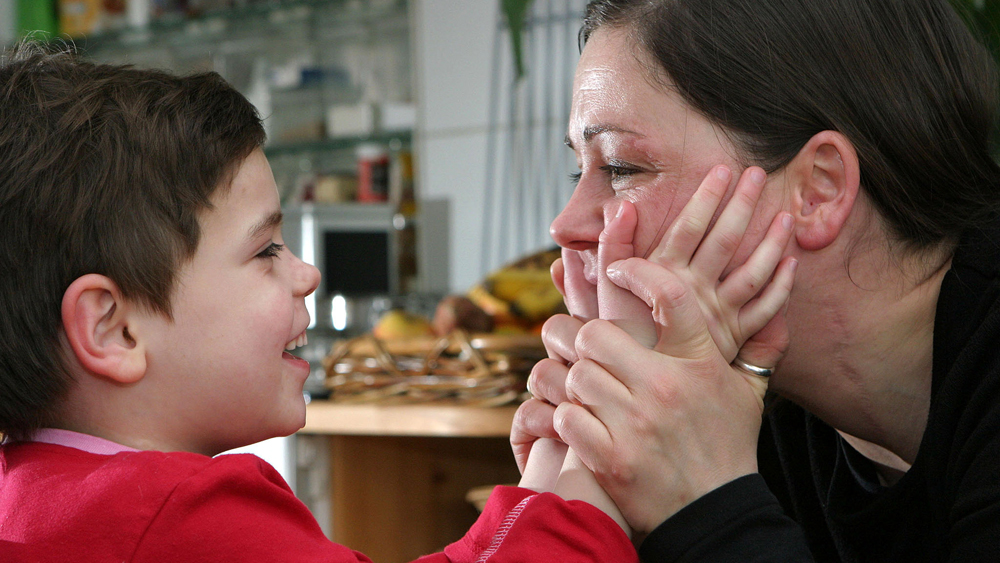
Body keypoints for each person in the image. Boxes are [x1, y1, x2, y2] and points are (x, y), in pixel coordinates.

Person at [0, 43, 640, 562]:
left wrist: (544, 491)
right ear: (113, 329)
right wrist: (592, 476)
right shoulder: (183, 517)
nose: (306, 273)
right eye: (265, 252)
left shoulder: (36, 496)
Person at [514, 0, 1000, 561]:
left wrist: (707, 506)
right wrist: (573, 521)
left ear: (818, 190)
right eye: (581, 169)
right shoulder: (754, 411)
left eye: (622, 167)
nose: (565, 225)